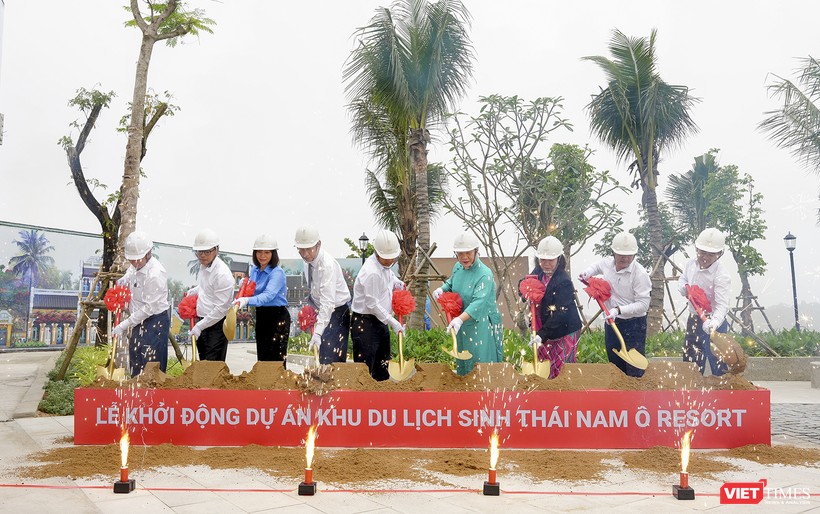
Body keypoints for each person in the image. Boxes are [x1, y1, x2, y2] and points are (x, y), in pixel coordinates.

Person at [579, 231, 651, 377]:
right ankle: (618, 395)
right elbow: (597, 266)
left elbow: (643, 304)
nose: (624, 258)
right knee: (615, 364)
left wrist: (619, 310)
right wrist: (587, 272)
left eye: (628, 255)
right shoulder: (607, 263)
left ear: (634, 254)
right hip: (612, 322)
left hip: (634, 324)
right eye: (620, 254)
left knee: (634, 369)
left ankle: (635, 396)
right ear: (613, 252)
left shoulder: (640, 274)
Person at [432, 231, 503, 376]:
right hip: (462, 323)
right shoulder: (458, 267)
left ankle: (483, 396)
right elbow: (451, 282)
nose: (464, 257)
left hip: (481, 324)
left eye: (468, 252)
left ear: (476, 251)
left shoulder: (484, 274)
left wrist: (459, 319)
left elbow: (478, 303)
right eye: (460, 253)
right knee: (463, 361)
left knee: (480, 362)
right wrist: (442, 289)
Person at [112, 231, 170, 376]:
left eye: (137, 259)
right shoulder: (135, 264)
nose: (134, 262)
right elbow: (128, 276)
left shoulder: (155, 274)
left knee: (151, 364)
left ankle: (154, 396)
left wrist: (124, 325)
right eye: (131, 260)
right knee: (136, 358)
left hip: (155, 320)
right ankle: (136, 392)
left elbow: (149, 308)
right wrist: (119, 286)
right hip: (139, 320)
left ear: (148, 253)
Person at [350, 230, 406, 380]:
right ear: (376, 252)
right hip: (365, 322)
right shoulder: (371, 272)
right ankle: (364, 399)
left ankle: (381, 393)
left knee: (382, 362)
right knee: (366, 366)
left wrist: (396, 282)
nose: (389, 261)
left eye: (391, 258)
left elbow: (388, 276)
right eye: (385, 258)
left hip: (380, 320)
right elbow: (372, 304)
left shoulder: (384, 266)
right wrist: (392, 321)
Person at [525, 236, 582, 379]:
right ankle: (545, 395)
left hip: (565, 328)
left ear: (559, 259)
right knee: (544, 365)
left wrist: (541, 335)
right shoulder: (537, 272)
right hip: (544, 326)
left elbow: (560, 314)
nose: (546, 264)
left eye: (550, 260)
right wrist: (524, 293)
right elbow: (525, 283)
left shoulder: (563, 281)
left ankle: (562, 397)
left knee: (560, 369)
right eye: (542, 259)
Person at [678, 227, 731, 376]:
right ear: (696, 249)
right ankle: (690, 395)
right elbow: (683, 279)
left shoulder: (722, 275)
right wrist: (684, 288)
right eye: (702, 252)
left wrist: (712, 323)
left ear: (719, 254)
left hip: (715, 324)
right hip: (694, 319)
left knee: (719, 364)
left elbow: (722, 306)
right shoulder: (691, 264)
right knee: (690, 364)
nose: (705, 257)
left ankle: (721, 395)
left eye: (711, 254)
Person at [295, 225, 351, 364]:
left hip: (337, 312)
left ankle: (333, 385)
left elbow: (328, 302)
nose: (305, 253)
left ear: (318, 244)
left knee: (331, 358)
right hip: (321, 310)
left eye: (309, 248)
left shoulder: (327, 265)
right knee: (322, 356)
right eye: (301, 249)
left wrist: (318, 332)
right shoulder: (306, 261)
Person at [234, 234, 290, 361]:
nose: (262, 256)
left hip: (277, 316)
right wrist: (243, 291)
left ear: (273, 254)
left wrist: (247, 300)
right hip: (262, 314)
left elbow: (268, 295)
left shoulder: (277, 272)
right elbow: (252, 289)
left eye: (267, 252)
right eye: (259, 252)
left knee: (276, 357)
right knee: (263, 355)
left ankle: (277, 381)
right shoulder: (255, 269)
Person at [187, 229, 234, 361]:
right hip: (203, 321)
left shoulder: (222, 274)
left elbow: (221, 309)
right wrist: (196, 290)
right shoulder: (204, 266)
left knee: (212, 365)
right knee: (203, 362)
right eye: (199, 252)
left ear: (216, 250)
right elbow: (207, 287)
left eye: (207, 251)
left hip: (216, 326)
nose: (202, 255)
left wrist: (199, 326)